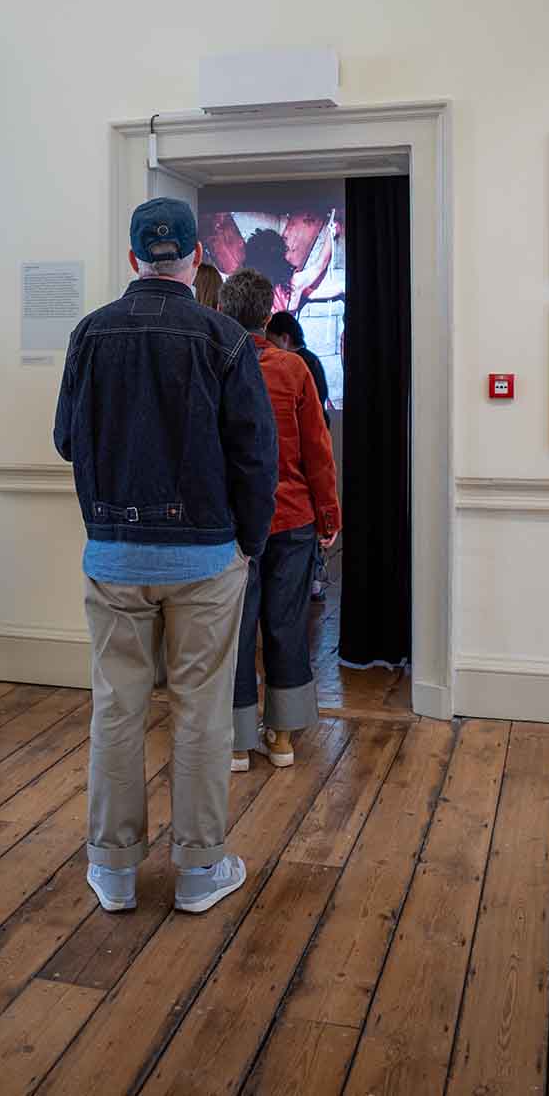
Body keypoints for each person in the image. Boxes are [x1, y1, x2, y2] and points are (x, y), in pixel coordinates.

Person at [55, 199, 277, 915]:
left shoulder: (90, 334)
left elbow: (66, 439)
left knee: (116, 711)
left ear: (132, 259)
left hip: (114, 556)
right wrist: (248, 543)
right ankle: (199, 872)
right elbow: (256, 457)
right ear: (196, 259)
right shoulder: (224, 338)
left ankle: (115, 871)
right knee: (202, 714)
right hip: (206, 557)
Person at [219, 268, 340, 771]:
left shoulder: (215, 365)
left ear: (223, 312)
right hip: (291, 517)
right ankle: (283, 738)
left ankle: (236, 740)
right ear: (269, 316)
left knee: (235, 630)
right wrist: (328, 516)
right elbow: (317, 451)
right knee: (287, 626)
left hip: (231, 523)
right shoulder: (293, 369)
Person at [266, 309, 331, 427]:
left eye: (270, 341)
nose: (268, 346)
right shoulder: (310, 359)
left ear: (285, 338)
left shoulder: (298, 362)